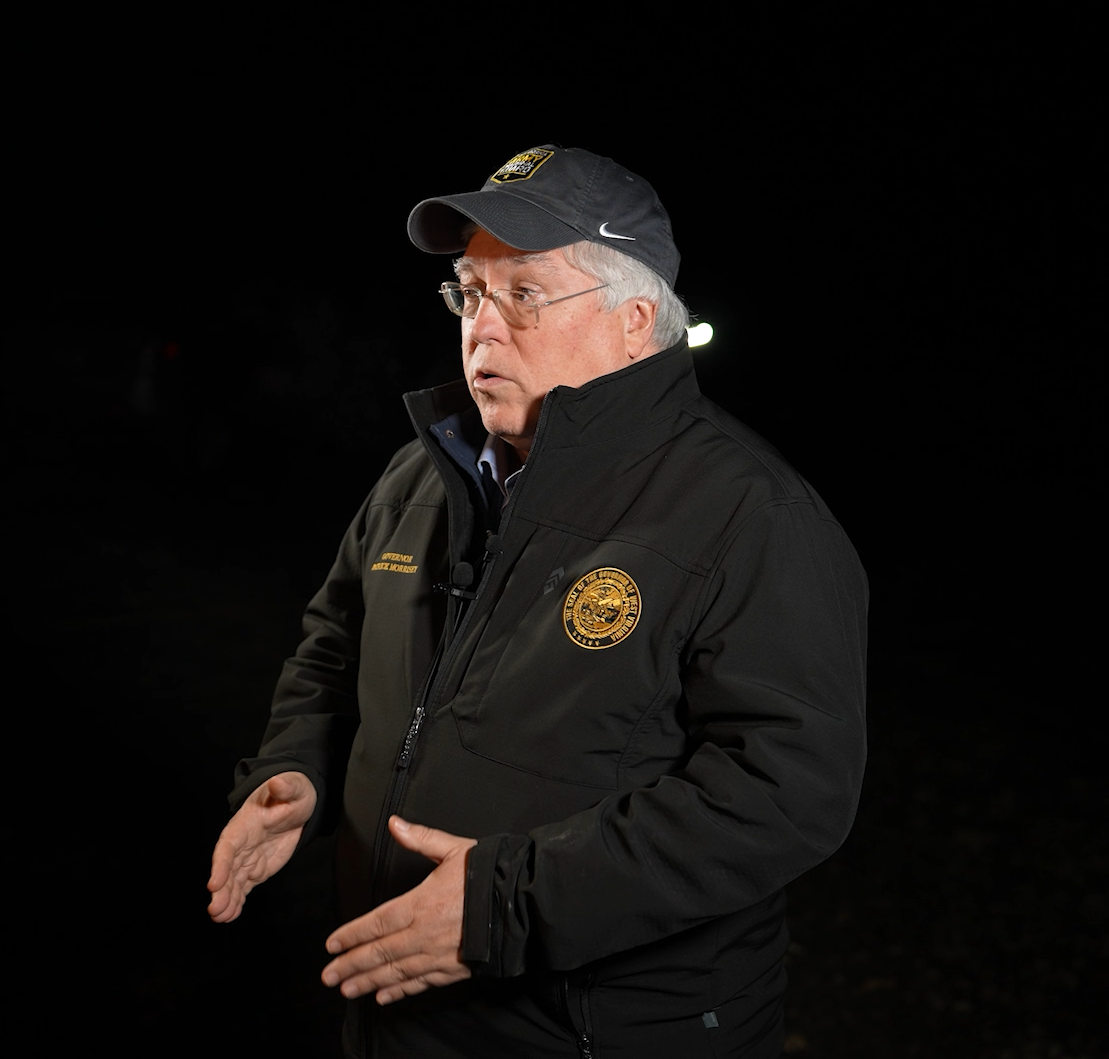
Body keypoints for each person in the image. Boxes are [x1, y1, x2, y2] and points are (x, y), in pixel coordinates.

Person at [208, 145, 868, 1059]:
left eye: (523, 295)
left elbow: (787, 791)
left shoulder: (750, 512)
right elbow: (336, 643)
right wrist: (296, 769)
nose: (482, 328)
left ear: (635, 322)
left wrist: (506, 902)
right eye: (469, 293)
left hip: (602, 1031)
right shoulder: (419, 476)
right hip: (396, 1009)